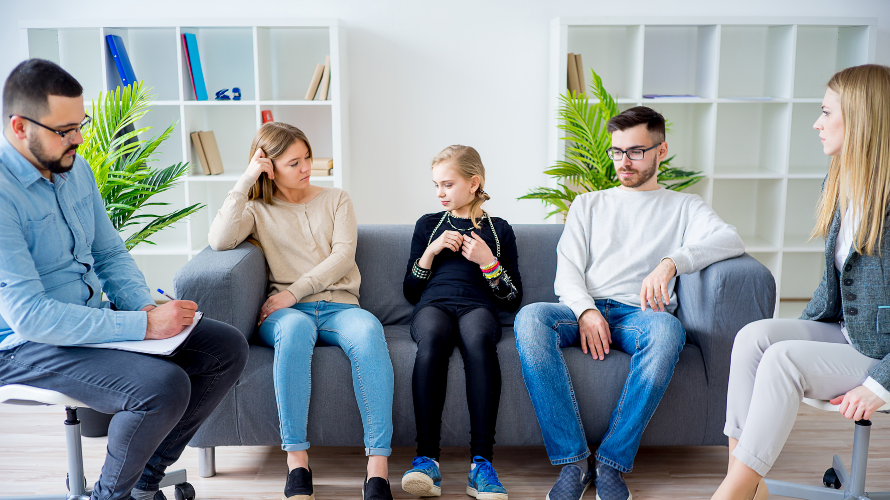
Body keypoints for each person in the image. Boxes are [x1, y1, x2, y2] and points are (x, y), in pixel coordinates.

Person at [0, 59, 249, 500]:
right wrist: (145, 327)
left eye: (81, 124)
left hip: (88, 318)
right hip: (23, 345)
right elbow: (31, 317)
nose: (78, 138)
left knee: (224, 347)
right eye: (64, 130)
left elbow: (109, 251)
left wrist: (144, 307)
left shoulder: (73, 169)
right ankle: (110, 496)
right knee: (162, 387)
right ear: (20, 127)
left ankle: (143, 482)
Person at [514, 106, 746, 500]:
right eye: (617, 151)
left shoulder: (684, 207)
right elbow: (567, 271)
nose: (624, 161)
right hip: (580, 311)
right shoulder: (589, 205)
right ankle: (573, 462)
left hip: (641, 317)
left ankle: (610, 462)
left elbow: (731, 240)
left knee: (668, 330)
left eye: (636, 151)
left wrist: (671, 263)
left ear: (661, 150)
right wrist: (585, 311)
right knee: (531, 319)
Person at [712, 64, 890, 500]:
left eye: (827, 112)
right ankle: (748, 486)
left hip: (882, 355)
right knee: (755, 337)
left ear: (862, 120)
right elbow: (837, 288)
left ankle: (731, 493)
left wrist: (879, 384)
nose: (817, 122)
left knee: (784, 361)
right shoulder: (844, 179)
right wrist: (792, 331)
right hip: (851, 333)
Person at [208, 122, 394, 500]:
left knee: (370, 331)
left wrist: (294, 291)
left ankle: (378, 468)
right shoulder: (257, 210)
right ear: (269, 167)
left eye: (307, 157)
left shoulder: (336, 199)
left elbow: (342, 257)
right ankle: (297, 461)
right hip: (286, 316)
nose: (307, 167)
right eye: (294, 162)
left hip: (338, 306)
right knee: (294, 332)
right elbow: (219, 239)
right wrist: (245, 180)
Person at [400, 145, 522, 500]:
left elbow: (513, 299)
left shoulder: (499, 230)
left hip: (478, 307)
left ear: (474, 183)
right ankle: (426, 461)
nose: (440, 193)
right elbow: (410, 292)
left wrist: (488, 262)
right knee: (434, 338)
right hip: (433, 305)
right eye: (436, 185)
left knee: (480, 341)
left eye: (447, 185)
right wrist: (431, 251)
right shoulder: (428, 225)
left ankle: (481, 465)